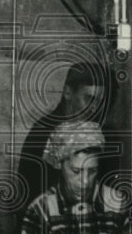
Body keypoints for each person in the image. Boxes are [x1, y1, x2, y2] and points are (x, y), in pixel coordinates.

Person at [16, 61, 113, 209]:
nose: (95, 108)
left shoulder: (92, 131)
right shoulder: (45, 132)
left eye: (100, 102)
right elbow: (32, 193)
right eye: (89, 99)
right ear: (68, 92)